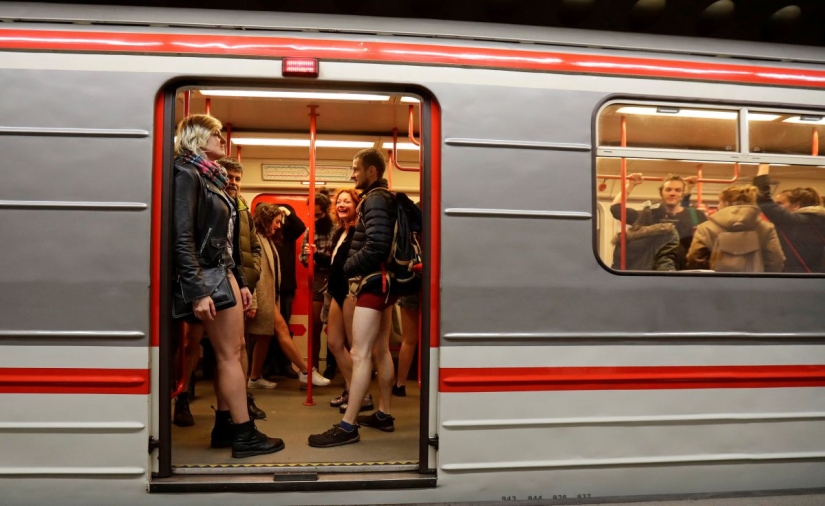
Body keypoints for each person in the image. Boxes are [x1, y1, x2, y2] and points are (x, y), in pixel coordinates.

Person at [172, 114, 282, 458]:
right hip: (207, 275)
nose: (222, 139)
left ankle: (224, 425)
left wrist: (239, 278)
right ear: (196, 138)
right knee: (227, 355)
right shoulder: (186, 174)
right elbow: (183, 236)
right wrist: (197, 288)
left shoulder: (213, 178)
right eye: (215, 134)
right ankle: (244, 434)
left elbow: (226, 240)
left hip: (223, 273)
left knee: (232, 352)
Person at [309, 148, 398, 447]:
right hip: (386, 282)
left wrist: (346, 268)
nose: (352, 174)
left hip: (371, 282)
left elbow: (376, 246)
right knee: (381, 351)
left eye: (356, 169)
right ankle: (384, 414)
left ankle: (348, 426)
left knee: (360, 353)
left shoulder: (373, 200)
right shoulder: (384, 198)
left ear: (372, 171)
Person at [172, 157, 265, 427]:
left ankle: (231, 412)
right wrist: (198, 288)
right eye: (230, 177)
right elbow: (190, 241)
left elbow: (249, 249)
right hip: (210, 278)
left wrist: (247, 279)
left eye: (237, 178)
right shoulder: (211, 201)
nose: (234, 182)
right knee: (193, 345)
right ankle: (184, 396)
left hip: (233, 279)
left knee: (237, 348)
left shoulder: (241, 209)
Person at [246, 204, 332, 388]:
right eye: (276, 222)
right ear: (267, 220)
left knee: (265, 337)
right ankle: (305, 371)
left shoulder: (267, 239)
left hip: (269, 295)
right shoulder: (255, 239)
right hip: (261, 296)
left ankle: (254, 378)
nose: (278, 226)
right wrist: (253, 300)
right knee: (282, 330)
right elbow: (250, 272)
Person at [306, 188, 374, 412]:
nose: (342, 205)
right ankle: (351, 387)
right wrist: (316, 254)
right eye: (339, 202)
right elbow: (334, 262)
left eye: (347, 202)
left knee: (355, 347)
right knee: (334, 342)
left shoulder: (358, 232)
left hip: (349, 291)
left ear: (356, 206)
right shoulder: (340, 232)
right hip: (334, 290)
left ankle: (361, 395)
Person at [611, 173, 707, 269]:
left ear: (683, 194)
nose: (672, 193)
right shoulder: (650, 214)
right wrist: (630, 185)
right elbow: (616, 209)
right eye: (668, 189)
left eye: (678, 190)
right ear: (662, 193)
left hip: (685, 270)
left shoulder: (696, 215)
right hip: (654, 270)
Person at [686, 184, 785, 272]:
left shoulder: (705, 228)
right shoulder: (766, 228)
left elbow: (695, 259)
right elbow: (776, 260)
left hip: (715, 286)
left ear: (726, 203)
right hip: (754, 287)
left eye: (719, 202)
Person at [754, 164, 825, 273]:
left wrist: (763, 165)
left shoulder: (792, 221)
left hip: (793, 278)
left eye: (780, 203)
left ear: (796, 205)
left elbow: (764, 200)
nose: (776, 207)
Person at [263, 202, 306, 380]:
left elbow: (300, 227)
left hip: (285, 287)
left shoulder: (286, 234)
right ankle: (268, 365)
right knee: (267, 329)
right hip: (267, 287)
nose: (278, 224)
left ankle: (285, 364)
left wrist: (288, 212)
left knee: (284, 327)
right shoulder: (265, 236)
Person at [299, 192, 335, 379]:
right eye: (312, 214)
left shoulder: (337, 229)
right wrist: (311, 257)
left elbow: (337, 261)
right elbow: (304, 258)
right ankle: (312, 369)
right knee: (314, 326)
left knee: (336, 328)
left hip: (335, 279)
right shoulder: (309, 231)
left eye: (319, 215)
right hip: (318, 280)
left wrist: (318, 256)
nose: (315, 219)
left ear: (327, 211)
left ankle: (332, 365)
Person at [611, 204, 679, 271]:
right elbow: (664, 261)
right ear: (664, 217)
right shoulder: (667, 232)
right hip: (648, 278)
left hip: (625, 278)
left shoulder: (625, 237)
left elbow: (617, 264)